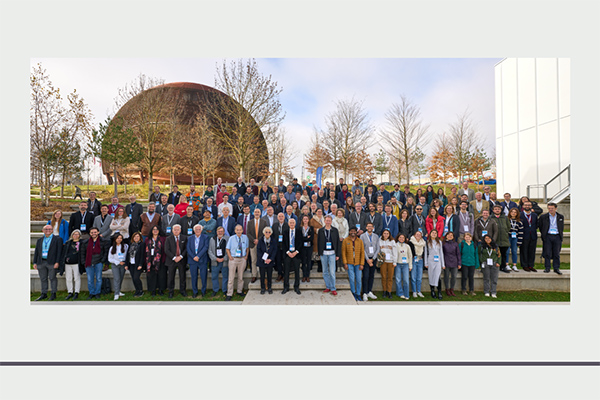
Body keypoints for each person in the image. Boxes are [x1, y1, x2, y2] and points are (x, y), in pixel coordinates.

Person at [32, 225, 63, 301]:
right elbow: (36, 252)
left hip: (52, 262)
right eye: (46, 229)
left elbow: (59, 252)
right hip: (41, 262)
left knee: (52, 278)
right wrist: (35, 262)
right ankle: (44, 293)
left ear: (52, 230)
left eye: (49, 229)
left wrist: (57, 262)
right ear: (43, 230)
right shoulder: (40, 240)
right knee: (43, 278)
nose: (48, 230)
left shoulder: (58, 239)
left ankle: (53, 293)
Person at [80, 227, 110, 300]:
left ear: (98, 232)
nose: (94, 233)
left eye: (95, 232)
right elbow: (82, 253)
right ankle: (92, 293)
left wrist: (102, 260)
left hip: (98, 262)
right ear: (90, 233)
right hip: (88, 263)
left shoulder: (103, 241)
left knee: (99, 278)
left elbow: (105, 252)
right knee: (90, 279)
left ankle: (97, 292)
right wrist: (84, 262)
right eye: (92, 232)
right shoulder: (85, 242)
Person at [538, 202, 565, 275]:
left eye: (552, 208)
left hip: (557, 236)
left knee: (556, 253)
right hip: (548, 236)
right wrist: (544, 234)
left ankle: (556, 268)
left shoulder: (560, 217)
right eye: (549, 208)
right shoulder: (543, 217)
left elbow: (561, 227)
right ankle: (547, 267)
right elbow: (540, 226)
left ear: (556, 208)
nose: (550, 210)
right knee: (547, 253)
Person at [318, 214, 341, 296]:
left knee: (332, 271)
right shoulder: (321, 230)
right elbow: (319, 242)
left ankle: (333, 288)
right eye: (326, 220)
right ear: (324, 221)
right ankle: (328, 286)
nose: (328, 222)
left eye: (329, 221)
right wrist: (319, 253)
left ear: (331, 221)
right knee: (325, 271)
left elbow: (338, 243)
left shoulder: (335, 230)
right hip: (323, 253)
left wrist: (338, 254)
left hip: (332, 254)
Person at [225, 224, 249, 301]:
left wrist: (246, 257)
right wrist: (230, 257)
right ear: (235, 231)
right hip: (233, 259)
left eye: (240, 230)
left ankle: (239, 291)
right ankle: (229, 293)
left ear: (242, 230)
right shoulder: (231, 238)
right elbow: (227, 249)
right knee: (231, 277)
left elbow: (247, 248)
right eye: (237, 230)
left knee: (240, 277)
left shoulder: (245, 237)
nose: (239, 231)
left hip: (242, 259)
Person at [187, 224, 210, 298]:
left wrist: (198, 256)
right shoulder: (190, 238)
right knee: (194, 277)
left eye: (199, 229)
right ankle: (195, 292)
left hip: (202, 259)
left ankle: (203, 291)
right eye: (196, 229)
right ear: (194, 230)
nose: (197, 231)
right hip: (192, 260)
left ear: (201, 230)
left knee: (203, 276)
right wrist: (194, 257)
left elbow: (205, 247)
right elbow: (188, 248)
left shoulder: (205, 237)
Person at [164, 224, 187, 298]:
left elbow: (186, 249)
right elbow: (166, 250)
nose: (176, 231)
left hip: (181, 260)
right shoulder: (168, 238)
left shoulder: (184, 238)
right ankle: (171, 291)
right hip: (171, 260)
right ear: (172, 230)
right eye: (175, 230)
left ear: (180, 230)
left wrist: (180, 256)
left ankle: (183, 291)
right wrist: (174, 258)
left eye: (178, 229)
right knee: (171, 277)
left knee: (182, 276)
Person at [342, 226, 364, 301]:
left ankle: (358, 294)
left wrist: (362, 264)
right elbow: (343, 253)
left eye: (354, 231)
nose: (353, 232)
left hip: (358, 263)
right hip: (349, 263)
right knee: (351, 279)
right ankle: (353, 293)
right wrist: (345, 263)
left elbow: (362, 253)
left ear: (356, 232)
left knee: (358, 279)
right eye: (351, 231)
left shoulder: (360, 241)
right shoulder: (345, 240)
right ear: (349, 232)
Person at [60, 229, 83, 300]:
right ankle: (70, 292)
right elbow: (64, 253)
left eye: (77, 234)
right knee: (68, 278)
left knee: (77, 278)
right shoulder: (68, 243)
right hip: (68, 264)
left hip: (76, 263)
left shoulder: (82, 243)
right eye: (74, 234)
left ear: (79, 235)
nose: (75, 236)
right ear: (72, 235)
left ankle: (76, 292)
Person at [247, 208, 268, 283]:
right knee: (253, 260)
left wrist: (258, 240)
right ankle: (254, 275)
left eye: (258, 212)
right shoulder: (249, 222)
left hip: (261, 244)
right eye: (255, 212)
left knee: (262, 259)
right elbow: (248, 233)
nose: (256, 213)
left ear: (260, 213)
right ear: (253, 213)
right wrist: (254, 240)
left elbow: (265, 232)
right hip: (252, 244)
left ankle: (262, 274)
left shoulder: (264, 222)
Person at [144, 226, 166, 296]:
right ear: (152, 231)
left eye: (157, 229)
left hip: (160, 260)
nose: (155, 231)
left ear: (159, 231)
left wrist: (163, 259)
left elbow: (165, 249)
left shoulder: (163, 239)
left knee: (161, 276)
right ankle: (153, 290)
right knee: (152, 276)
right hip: (150, 260)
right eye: (154, 229)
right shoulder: (148, 239)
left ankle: (160, 290)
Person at [282, 218, 302, 295]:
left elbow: (300, 243)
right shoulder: (285, 232)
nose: (292, 224)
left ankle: (296, 287)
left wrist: (295, 252)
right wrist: (288, 252)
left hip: (296, 254)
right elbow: (283, 244)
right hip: (288, 254)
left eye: (293, 222)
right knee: (286, 271)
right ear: (288, 224)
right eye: (290, 223)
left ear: (295, 223)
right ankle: (286, 287)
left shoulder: (299, 232)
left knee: (297, 271)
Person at [360, 222, 380, 301]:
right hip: (366, 259)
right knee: (365, 276)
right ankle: (364, 292)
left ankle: (369, 291)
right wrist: (368, 259)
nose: (369, 228)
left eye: (371, 226)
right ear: (366, 227)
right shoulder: (362, 236)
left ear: (373, 227)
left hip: (373, 258)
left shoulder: (376, 236)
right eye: (368, 226)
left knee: (372, 275)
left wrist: (373, 259)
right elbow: (362, 248)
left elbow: (378, 248)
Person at [208, 226, 230, 296]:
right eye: (219, 231)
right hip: (215, 261)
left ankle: (224, 290)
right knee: (214, 276)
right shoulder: (212, 239)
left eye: (221, 231)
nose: (220, 233)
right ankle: (215, 290)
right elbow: (210, 251)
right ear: (216, 232)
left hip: (224, 261)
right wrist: (215, 258)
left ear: (224, 232)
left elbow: (229, 250)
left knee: (225, 276)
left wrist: (224, 258)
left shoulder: (227, 239)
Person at [425, 229, 445, 300]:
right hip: (430, 261)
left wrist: (443, 264)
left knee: (438, 276)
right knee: (431, 276)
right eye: (432, 233)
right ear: (430, 234)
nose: (434, 234)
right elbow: (426, 254)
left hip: (438, 261)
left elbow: (441, 253)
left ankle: (439, 292)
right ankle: (432, 290)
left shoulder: (439, 242)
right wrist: (426, 263)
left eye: (435, 233)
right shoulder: (427, 242)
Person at [491, 204, 511, 273]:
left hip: (504, 239)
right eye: (496, 209)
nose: (497, 210)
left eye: (498, 209)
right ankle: (495, 267)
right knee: (494, 254)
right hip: (495, 240)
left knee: (503, 254)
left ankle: (503, 267)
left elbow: (508, 227)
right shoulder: (491, 218)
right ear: (493, 210)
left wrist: (505, 232)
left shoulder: (505, 218)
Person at [108, 233, 128, 300]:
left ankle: (119, 291)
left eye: (120, 238)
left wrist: (125, 263)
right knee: (117, 279)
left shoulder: (125, 246)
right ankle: (116, 293)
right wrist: (118, 262)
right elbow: (110, 259)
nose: (119, 239)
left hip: (123, 265)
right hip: (115, 265)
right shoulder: (112, 248)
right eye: (118, 238)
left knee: (121, 278)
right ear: (115, 239)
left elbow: (127, 256)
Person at [520, 201, 539, 272]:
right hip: (524, 235)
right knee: (524, 251)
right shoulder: (520, 215)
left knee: (532, 251)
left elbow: (537, 224)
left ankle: (531, 265)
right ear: (523, 206)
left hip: (533, 235)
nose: (527, 206)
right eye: (526, 205)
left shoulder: (534, 215)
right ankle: (524, 265)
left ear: (531, 206)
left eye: (529, 205)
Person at [378, 229, 397, 299]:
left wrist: (394, 262)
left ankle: (389, 291)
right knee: (383, 276)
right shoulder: (380, 241)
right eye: (384, 233)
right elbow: (379, 250)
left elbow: (395, 252)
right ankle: (384, 291)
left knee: (390, 277)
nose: (386, 235)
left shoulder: (392, 241)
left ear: (389, 235)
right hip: (383, 261)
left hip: (390, 261)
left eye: (387, 233)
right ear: (382, 234)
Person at [442, 231, 461, 297]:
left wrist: (459, 263)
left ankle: (452, 289)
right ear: (446, 236)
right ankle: (447, 289)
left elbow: (458, 254)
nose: (450, 236)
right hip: (446, 262)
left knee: (454, 277)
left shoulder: (455, 244)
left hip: (454, 262)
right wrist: (442, 263)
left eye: (451, 235)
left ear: (453, 237)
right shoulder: (443, 243)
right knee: (446, 276)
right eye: (448, 235)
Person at [126, 232, 145, 297]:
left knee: (136, 278)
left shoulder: (142, 244)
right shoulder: (131, 244)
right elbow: (127, 255)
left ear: (140, 237)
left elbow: (142, 255)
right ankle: (137, 290)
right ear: (133, 238)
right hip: (131, 264)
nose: (136, 238)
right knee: (133, 278)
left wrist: (140, 264)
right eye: (135, 236)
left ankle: (140, 290)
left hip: (138, 265)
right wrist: (126, 264)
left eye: (138, 236)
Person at [395, 233, 413, 300]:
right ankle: (400, 293)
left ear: (405, 239)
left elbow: (410, 256)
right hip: (398, 264)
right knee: (398, 279)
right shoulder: (395, 245)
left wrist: (410, 266)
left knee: (406, 280)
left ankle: (406, 294)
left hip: (406, 264)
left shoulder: (407, 246)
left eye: (403, 238)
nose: (401, 239)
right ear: (398, 238)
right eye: (400, 237)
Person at [272, 212, 289, 280]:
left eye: (282, 216)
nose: (281, 217)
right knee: (278, 261)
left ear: (284, 217)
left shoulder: (287, 225)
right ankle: (280, 274)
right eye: (279, 216)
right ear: (277, 218)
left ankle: (285, 274)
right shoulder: (274, 225)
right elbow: (273, 236)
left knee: (285, 261)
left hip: (285, 246)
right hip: (277, 246)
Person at [298, 215, 315, 281]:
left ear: (308, 220)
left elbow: (311, 238)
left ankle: (307, 275)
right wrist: (306, 238)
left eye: (306, 219)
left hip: (309, 247)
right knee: (303, 261)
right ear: (302, 220)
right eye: (304, 219)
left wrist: (305, 238)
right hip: (302, 247)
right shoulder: (300, 228)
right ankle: (304, 275)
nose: (305, 220)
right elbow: (300, 238)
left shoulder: (311, 228)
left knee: (308, 261)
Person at [409, 230, 425, 298]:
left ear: (421, 236)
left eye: (419, 234)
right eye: (417, 234)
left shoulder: (423, 243)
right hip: (413, 259)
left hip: (420, 260)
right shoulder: (411, 242)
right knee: (413, 277)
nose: (418, 235)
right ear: (414, 235)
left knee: (419, 277)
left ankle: (419, 291)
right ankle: (414, 291)